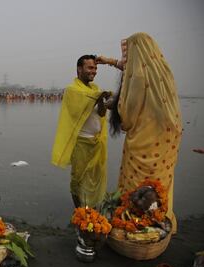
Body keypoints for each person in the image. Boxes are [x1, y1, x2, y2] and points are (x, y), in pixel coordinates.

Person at [96, 32, 182, 231]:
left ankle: (134, 222)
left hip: (144, 140)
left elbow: (127, 116)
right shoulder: (162, 69)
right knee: (159, 183)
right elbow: (130, 67)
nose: (126, 59)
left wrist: (112, 104)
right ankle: (160, 218)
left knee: (139, 185)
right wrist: (108, 61)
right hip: (167, 137)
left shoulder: (139, 76)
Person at [52, 55, 112, 208]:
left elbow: (101, 114)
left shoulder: (95, 89)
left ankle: (91, 209)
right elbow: (79, 108)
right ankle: (80, 212)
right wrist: (99, 97)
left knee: (94, 177)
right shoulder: (72, 90)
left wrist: (102, 101)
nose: (94, 71)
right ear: (79, 69)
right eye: (90, 68)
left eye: (96, 68)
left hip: (96, 142)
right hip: (81, 142)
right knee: (78, 178)